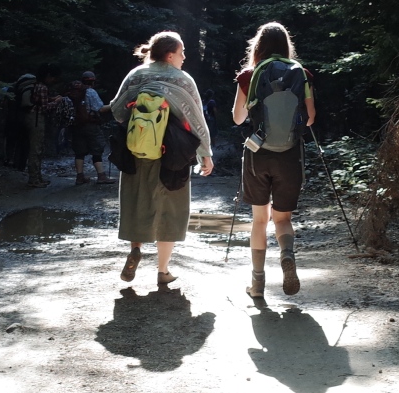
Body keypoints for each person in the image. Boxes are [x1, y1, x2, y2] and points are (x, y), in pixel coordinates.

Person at [108, 31, 214, 286]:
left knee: (137, 202)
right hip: (173, 153)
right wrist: (206, 154)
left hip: (136, 150)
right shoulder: (183, 80)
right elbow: (196, 120)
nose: (184, 57)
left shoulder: (136, 75)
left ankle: (136, 249)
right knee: (170, 210)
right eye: (182, 52)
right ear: (169, 55)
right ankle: (163, 271)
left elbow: (117, 111)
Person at [232, 21, 315, 298]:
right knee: (282, 218)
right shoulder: (301, 74)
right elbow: (310, 119)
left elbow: (238, 118)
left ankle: (257, 284)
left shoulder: (249, 75)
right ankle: (287, 254)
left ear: (258, 47)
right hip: (290, 154)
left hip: (258, 154)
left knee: (259, 220)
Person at [11, 70, 51, 188]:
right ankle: (34, 179)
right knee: (36, 149)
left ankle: (36, 177)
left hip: (27, 118)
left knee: (34, 148)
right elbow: (44, 108)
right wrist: (56, 102)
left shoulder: (34, 86)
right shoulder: (42, 87)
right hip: (36, 119)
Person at [70, 77, 110, 185]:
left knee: (79, 152)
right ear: (93, 82)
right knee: (96, 149)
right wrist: (113, 105)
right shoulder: (90, 92)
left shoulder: (72, 92)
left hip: (76, 125)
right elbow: (100, 108)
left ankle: (79, 177)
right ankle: (101, 176)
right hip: (91, 125)